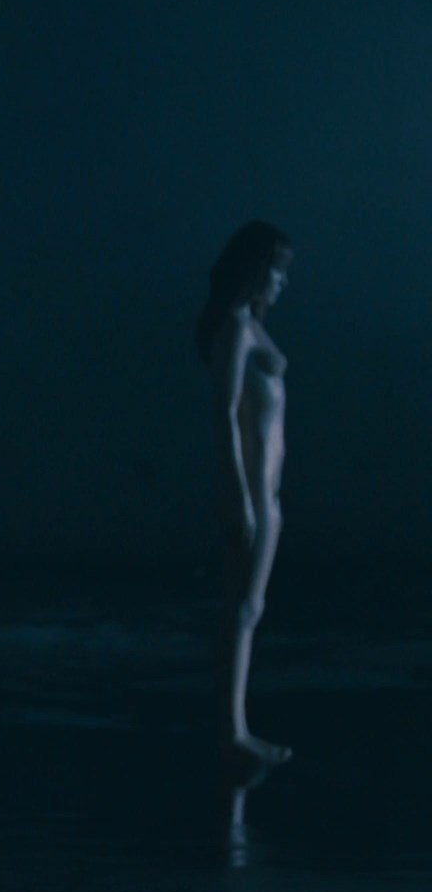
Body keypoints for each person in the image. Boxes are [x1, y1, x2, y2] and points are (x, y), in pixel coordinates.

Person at [195, 221, 294, 774]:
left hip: (264, 494)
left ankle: (236, 728)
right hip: (252, 492)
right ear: (256, 271)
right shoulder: (236, 327)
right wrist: (238, 494)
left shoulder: (250, 327)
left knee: (248, 608)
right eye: (277, 270)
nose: (282, 282)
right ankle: (230, 732)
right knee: (242, 608)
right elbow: (225, 412)